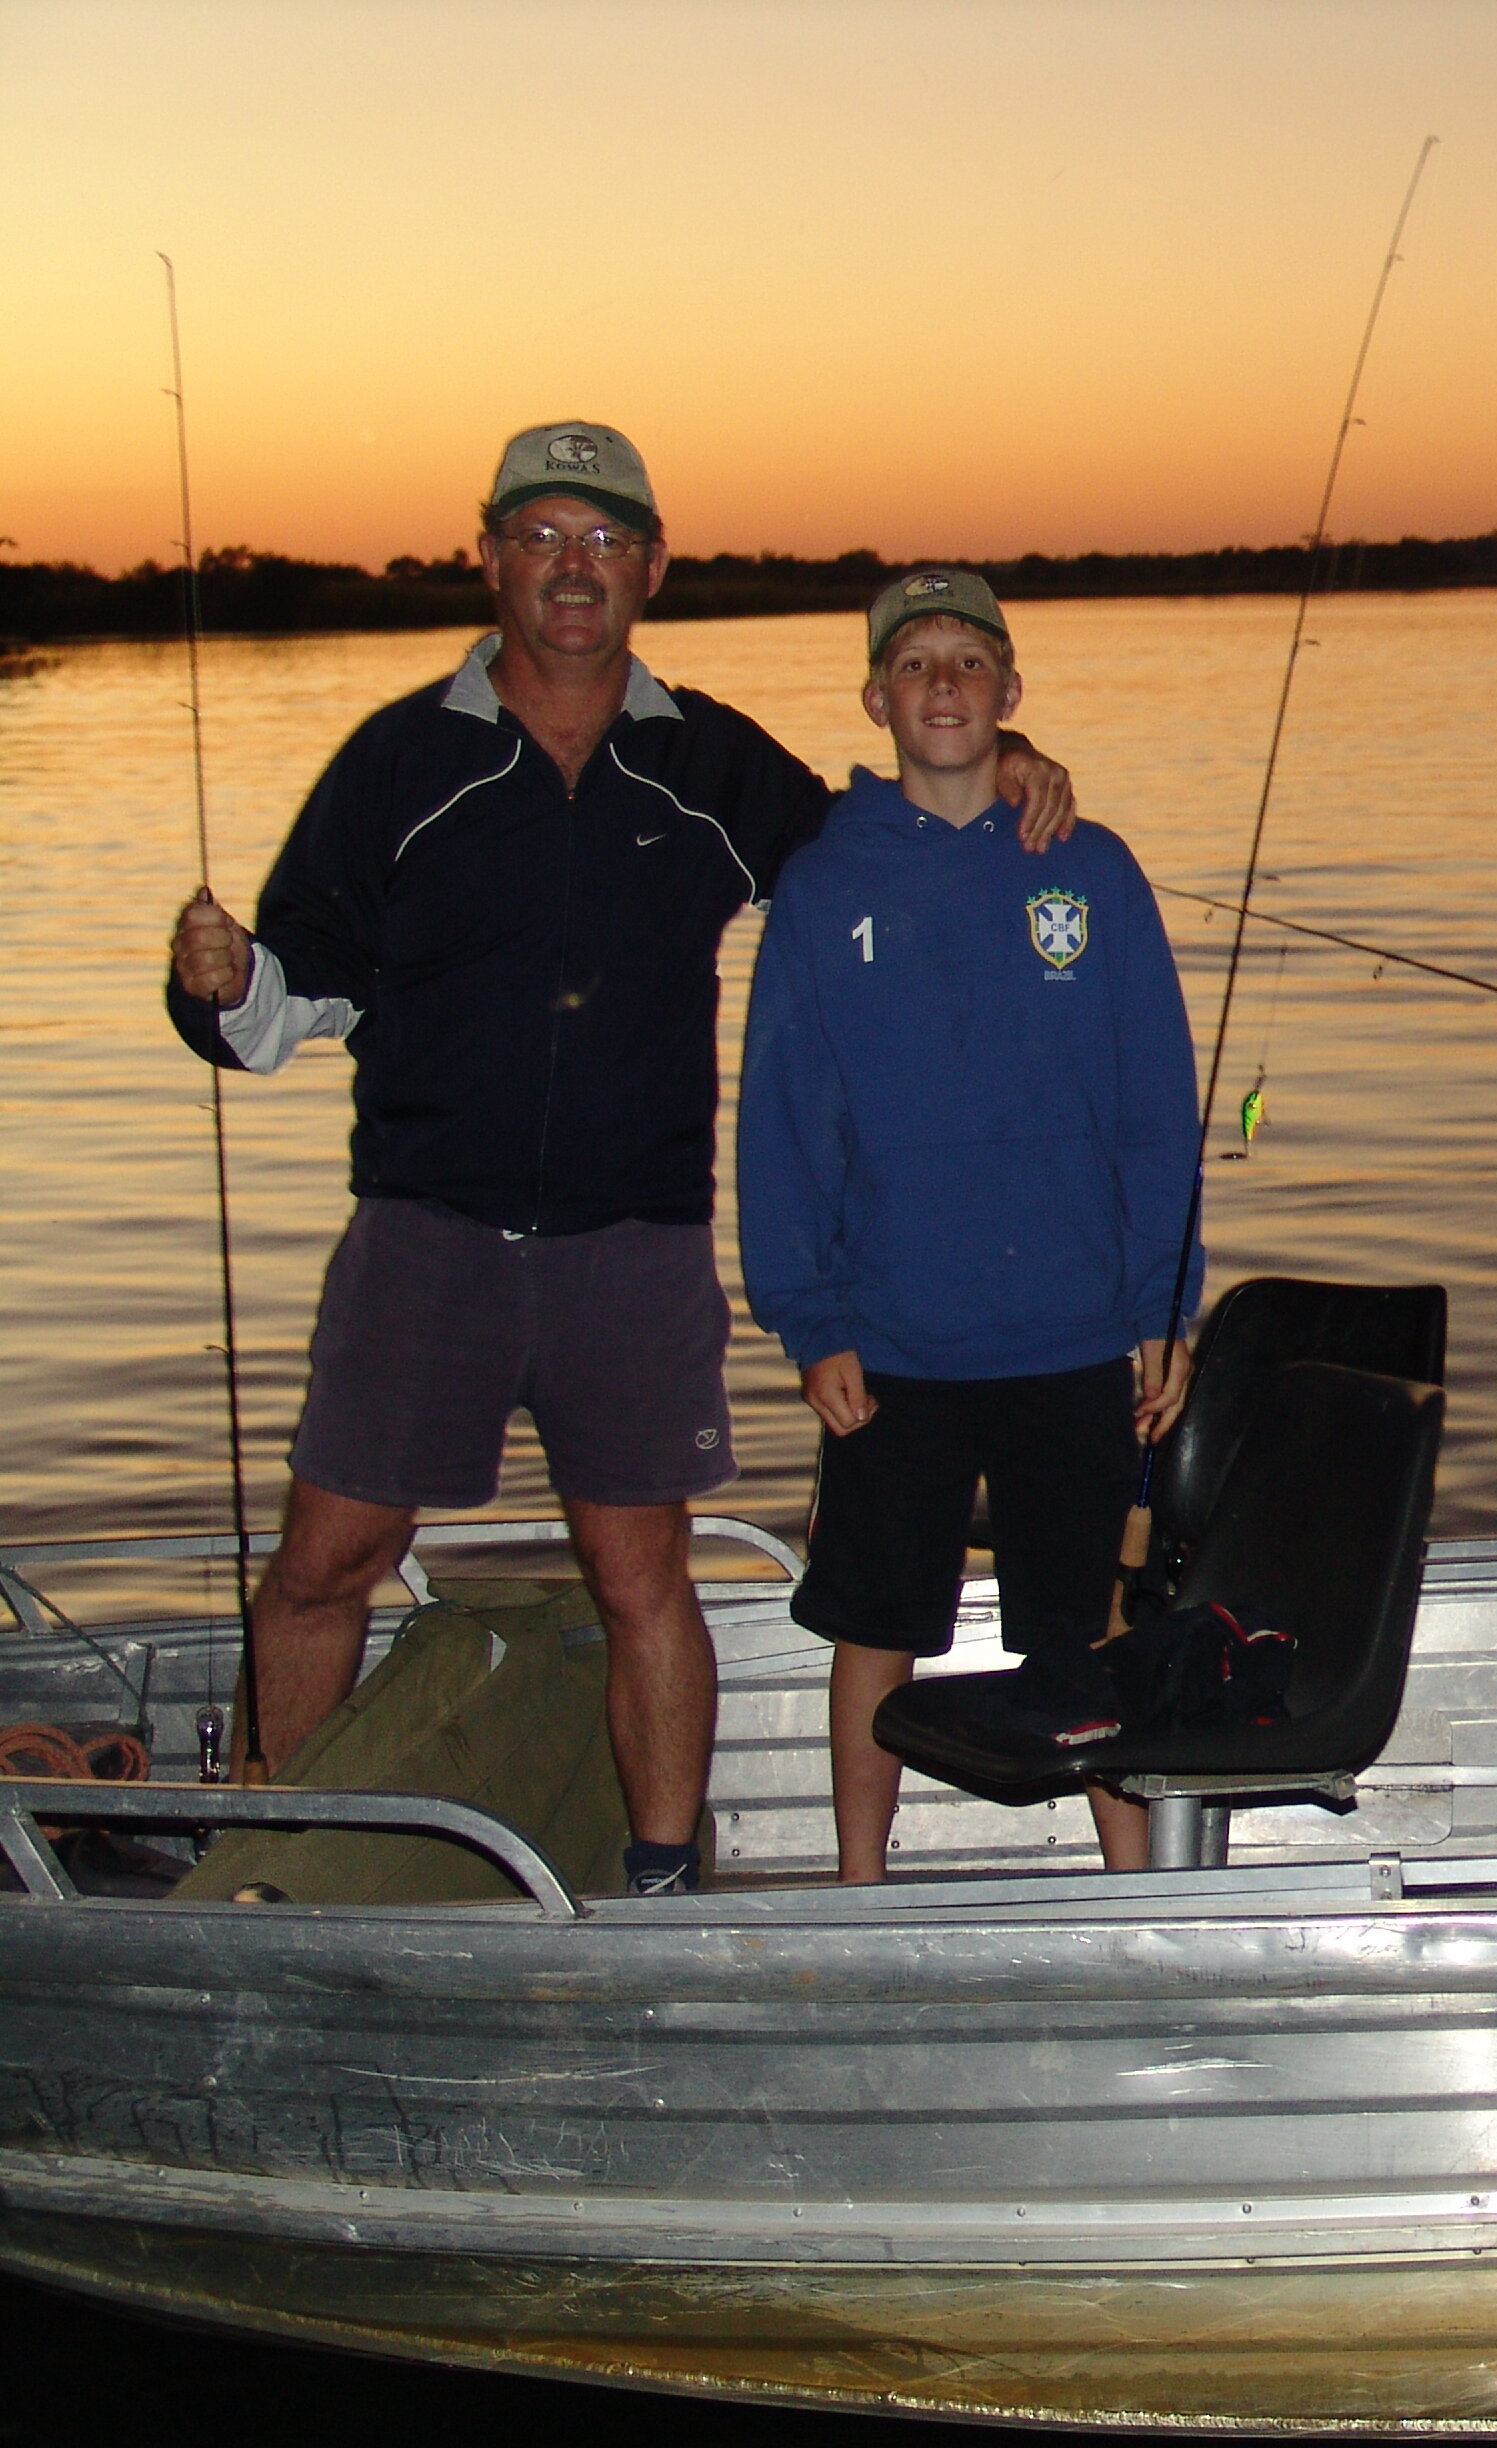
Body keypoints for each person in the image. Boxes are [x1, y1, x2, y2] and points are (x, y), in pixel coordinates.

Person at [163, 422, 1078, 1896]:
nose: (571, 569)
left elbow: (875, 852)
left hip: (634, 1245)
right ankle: (273, 1865)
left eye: (602, 540)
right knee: (322, 1564)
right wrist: (221, 980)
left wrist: (1003, 756)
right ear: (493, 559)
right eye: (541, 537)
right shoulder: (403, 759)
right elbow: (294, 1002)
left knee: (646, 1578)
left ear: (651, 565)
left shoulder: (704, 757)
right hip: (424, 1233)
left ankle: (662, 1879)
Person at [736, 571, 1203, 1883]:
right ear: (876, 698)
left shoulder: (1092, 867)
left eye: (970, 661)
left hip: (1073, 1330)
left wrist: (1168, 1304)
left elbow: (1154, 1107)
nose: (943, 684)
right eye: (917, 664)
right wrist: (809, 1317)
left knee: (1087, 1627)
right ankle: (858, 1890)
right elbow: (783, 1120)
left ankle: (1134, 1887)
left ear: (1010, 692)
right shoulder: (826, 886)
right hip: (893, 1341)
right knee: (874, 1619)